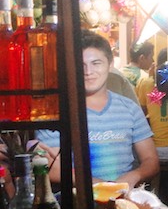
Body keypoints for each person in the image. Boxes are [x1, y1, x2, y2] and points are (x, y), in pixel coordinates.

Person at [34, 30, 158, 189]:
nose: (88, 72)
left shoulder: (129, 108)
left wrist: (136, 175)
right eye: (80, 65)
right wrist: (104, 187)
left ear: (110, 64)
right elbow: (53, 169)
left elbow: (151, 160)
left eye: (96, 63)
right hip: (75, 199)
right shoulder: (55, 113)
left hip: (124, 199)